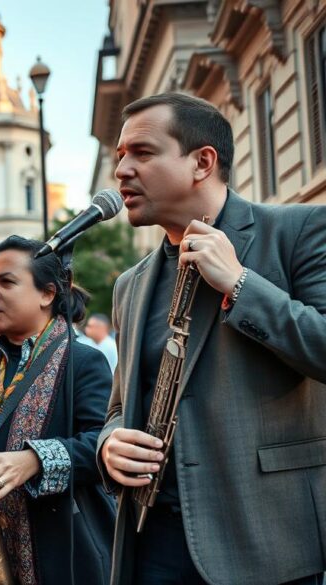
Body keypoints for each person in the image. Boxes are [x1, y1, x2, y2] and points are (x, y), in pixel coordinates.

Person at [99, 92, 326, 585]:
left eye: (142, 152)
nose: (121, 171)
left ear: (202, 162)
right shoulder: (129, 285)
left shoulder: (300, 230)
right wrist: (108, 444)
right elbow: (119, 404)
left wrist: (241, 284)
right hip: (153, 541)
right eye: (120, 157)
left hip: (268, 542)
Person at [0, 235, 115, 585]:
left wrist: (33, 460)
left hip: (64, 554)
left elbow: (103, 446)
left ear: (47, 294)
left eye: (7, 281)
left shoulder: (85, 361)